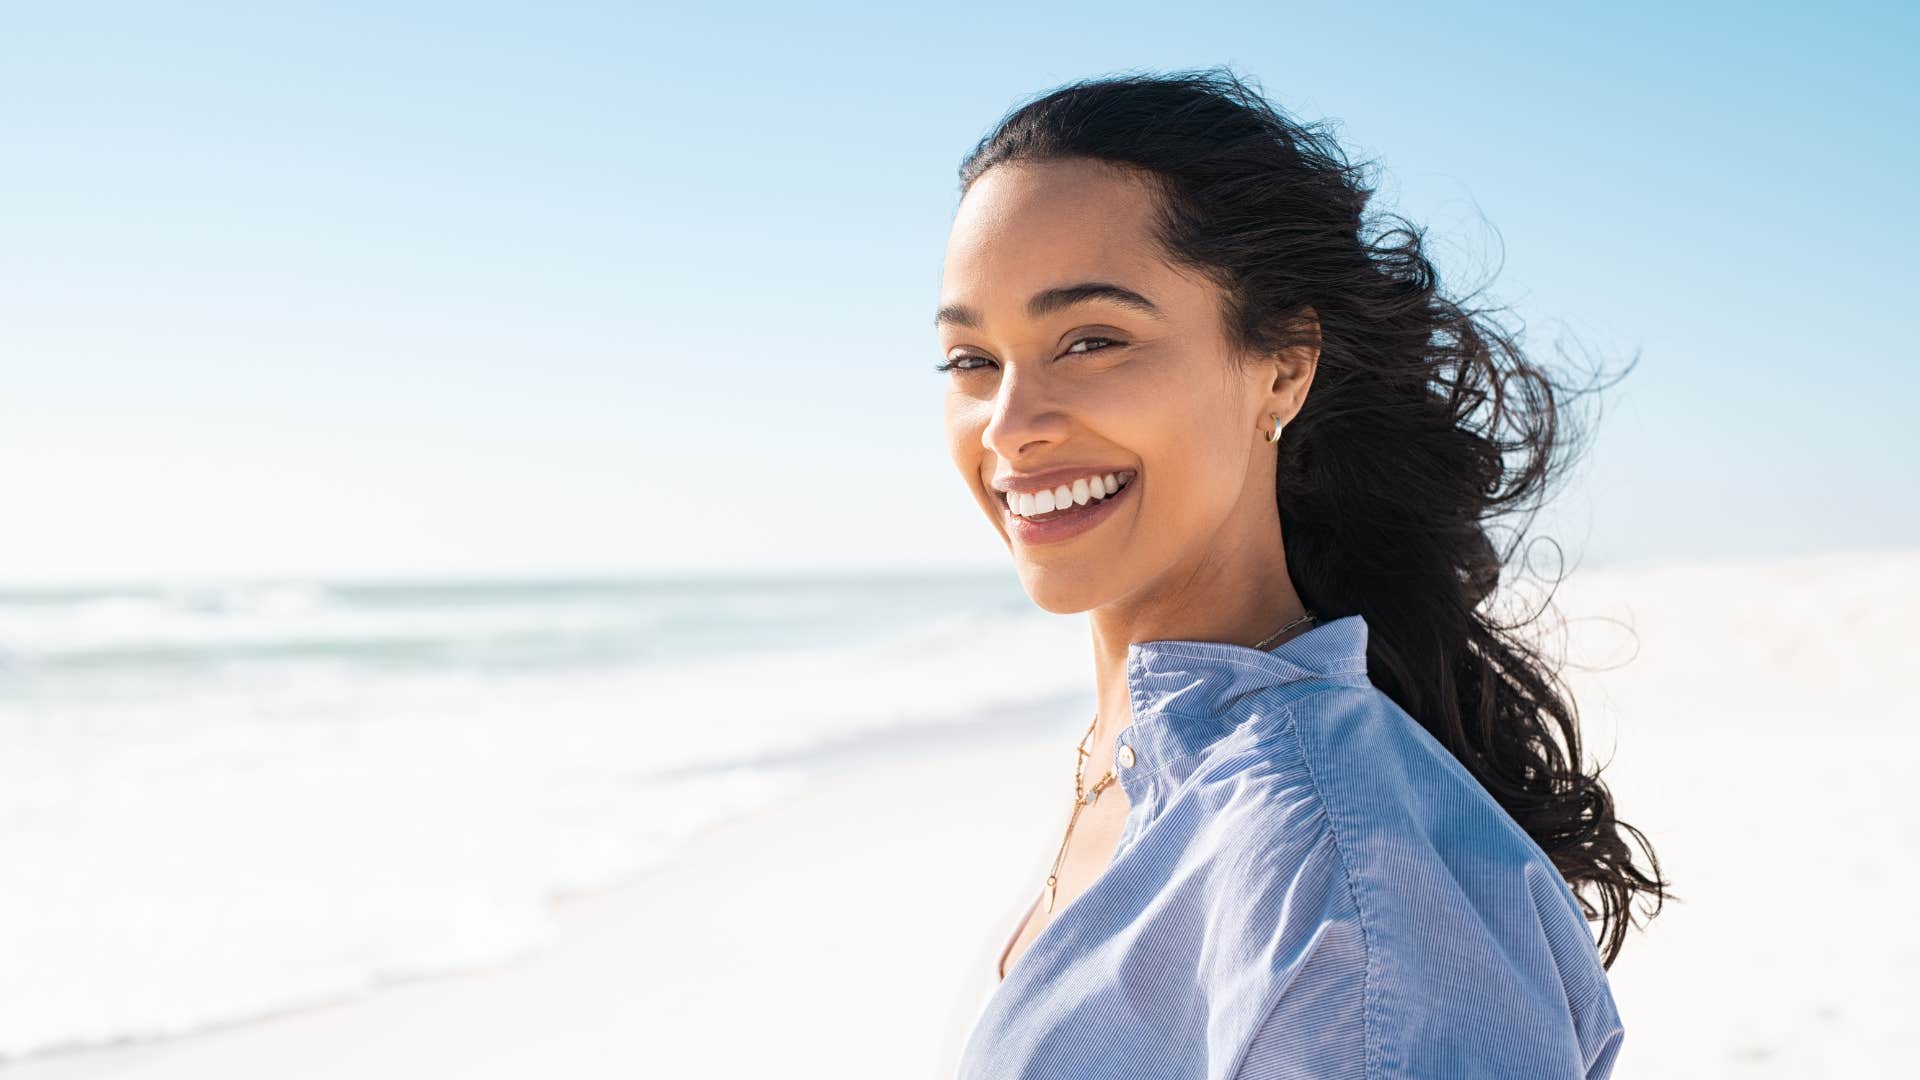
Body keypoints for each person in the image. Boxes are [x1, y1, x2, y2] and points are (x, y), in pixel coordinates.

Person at [934, 68, 1670, 1079]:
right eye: (971, 360)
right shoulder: (1143, 756)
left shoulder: (1341, 895)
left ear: (1283, 364)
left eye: (1092, 340)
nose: (1011, 427)